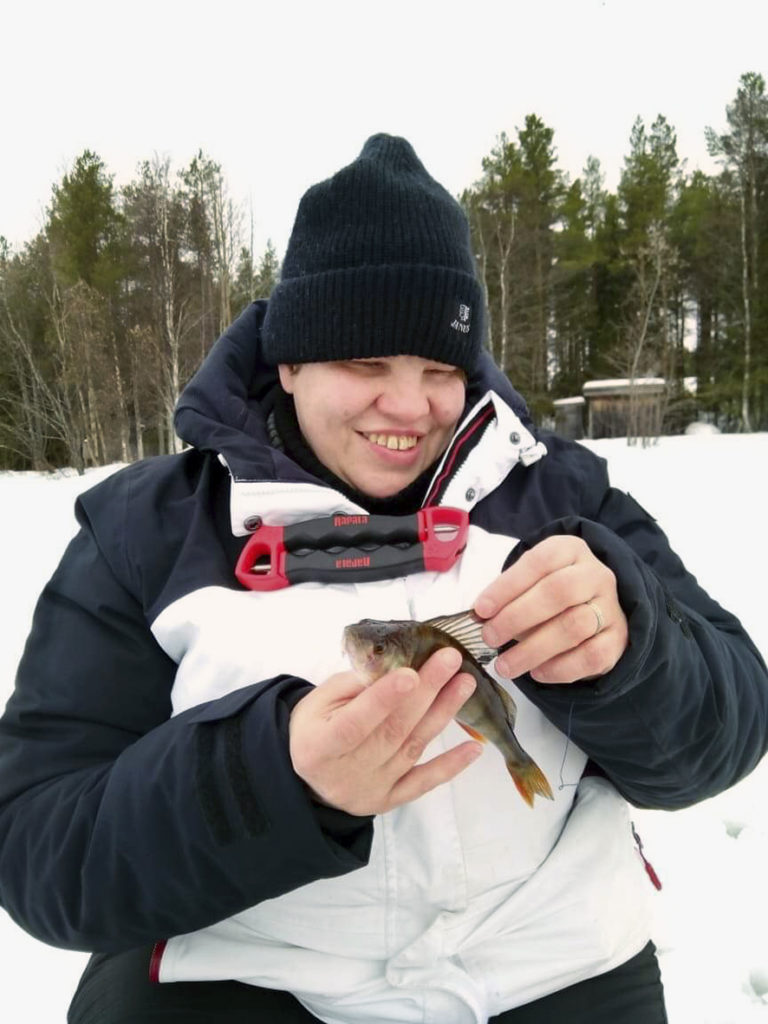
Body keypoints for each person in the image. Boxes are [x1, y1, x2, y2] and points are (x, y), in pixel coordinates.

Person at [0, 134, 766, 1024]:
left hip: (554, 968)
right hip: (249, 977)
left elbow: (733, 722)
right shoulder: (146, 530)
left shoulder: (564, 495)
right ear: (289, 361)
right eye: (366, 364)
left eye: (441, 369)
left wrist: (634, 654)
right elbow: (39, 848)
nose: (409, 408)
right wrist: (270, 783)